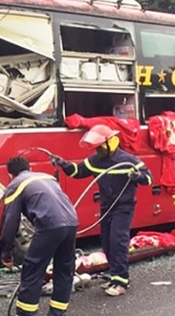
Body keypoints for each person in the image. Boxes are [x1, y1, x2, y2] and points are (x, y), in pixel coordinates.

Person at [52, 124, 152, 297]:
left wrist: (139, 177)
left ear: (110, 143)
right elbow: (78, 171)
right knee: (106, 242)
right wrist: (63, 164)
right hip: (106, 207)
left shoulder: (128, 160)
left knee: (117, 241)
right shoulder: (95, 160)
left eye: (99, 146)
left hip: (124, 206)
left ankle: (121, 280)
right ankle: (114, 275)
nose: (97, 150)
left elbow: (149, 178)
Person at [0, 156, 79, 316]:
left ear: (10, 174)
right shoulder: (46, 177)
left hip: (49, 226)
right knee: (64, 268)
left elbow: (9, 222)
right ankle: (58, 315)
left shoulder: (16, 184)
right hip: (72, 223)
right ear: (30, 168)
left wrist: (5, 252)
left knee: (33, 268)